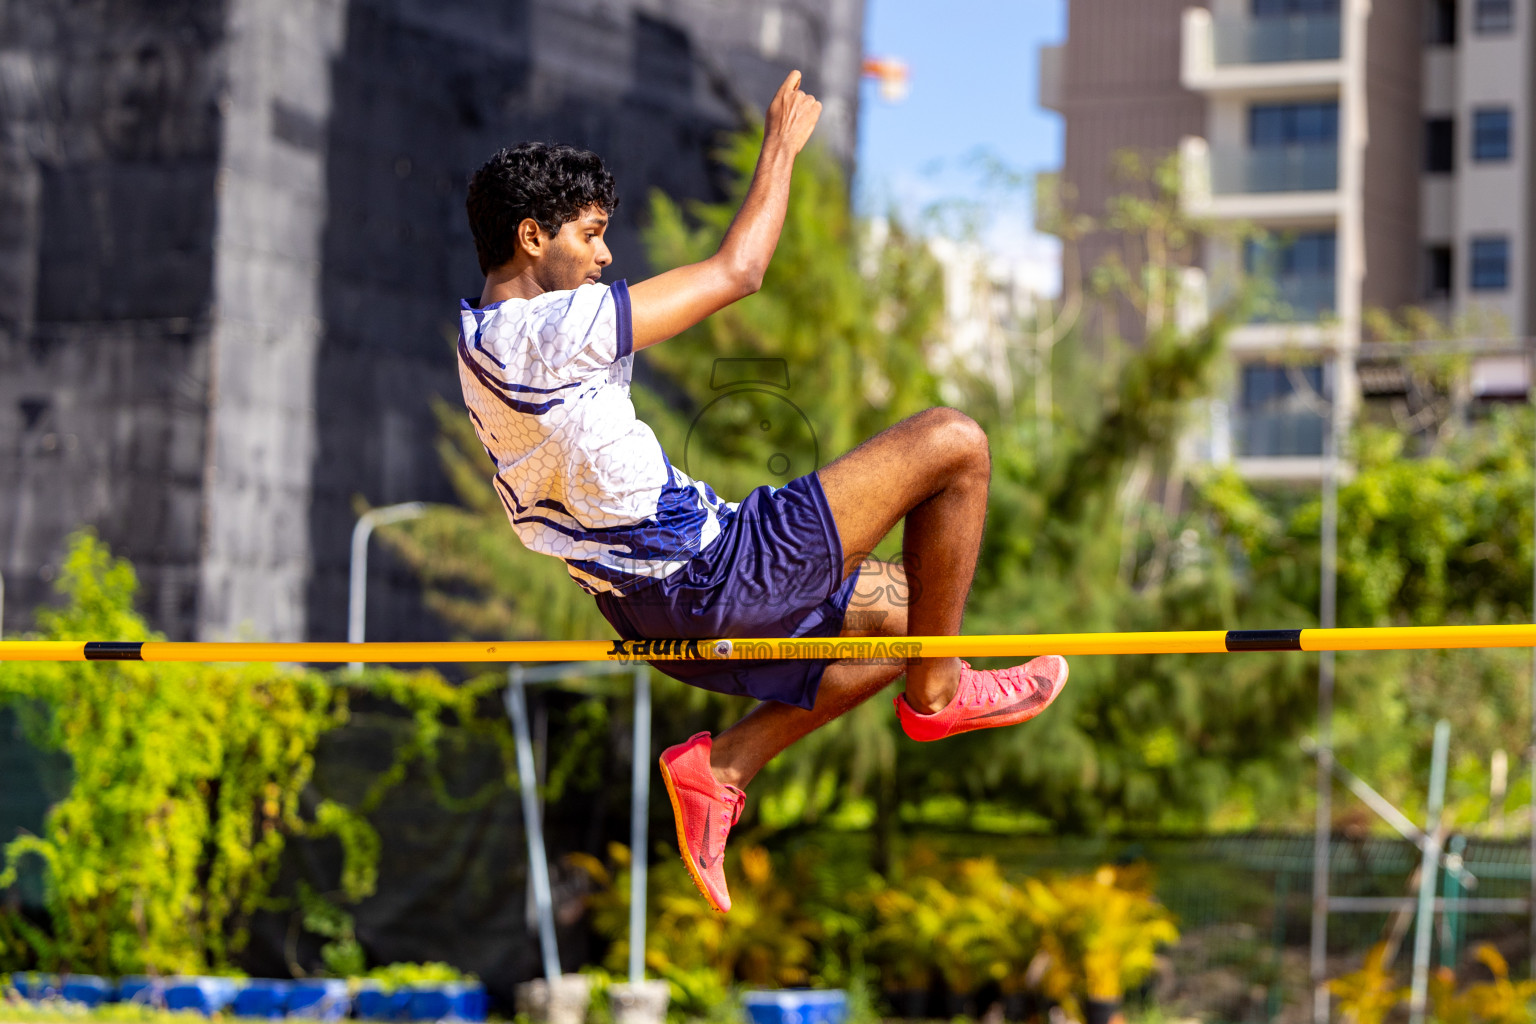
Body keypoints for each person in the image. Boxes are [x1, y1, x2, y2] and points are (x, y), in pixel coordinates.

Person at [456, 71, 1068, 913]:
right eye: (591, 236)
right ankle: (937, 696)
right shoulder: (551, 326)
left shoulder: (478, 340)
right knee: (954, 443)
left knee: (917, 613)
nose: (605, 258)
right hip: (716, 578)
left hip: (647, 609)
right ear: (531, 237)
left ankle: (724, 768)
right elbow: (740, 271)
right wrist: (780, 145)